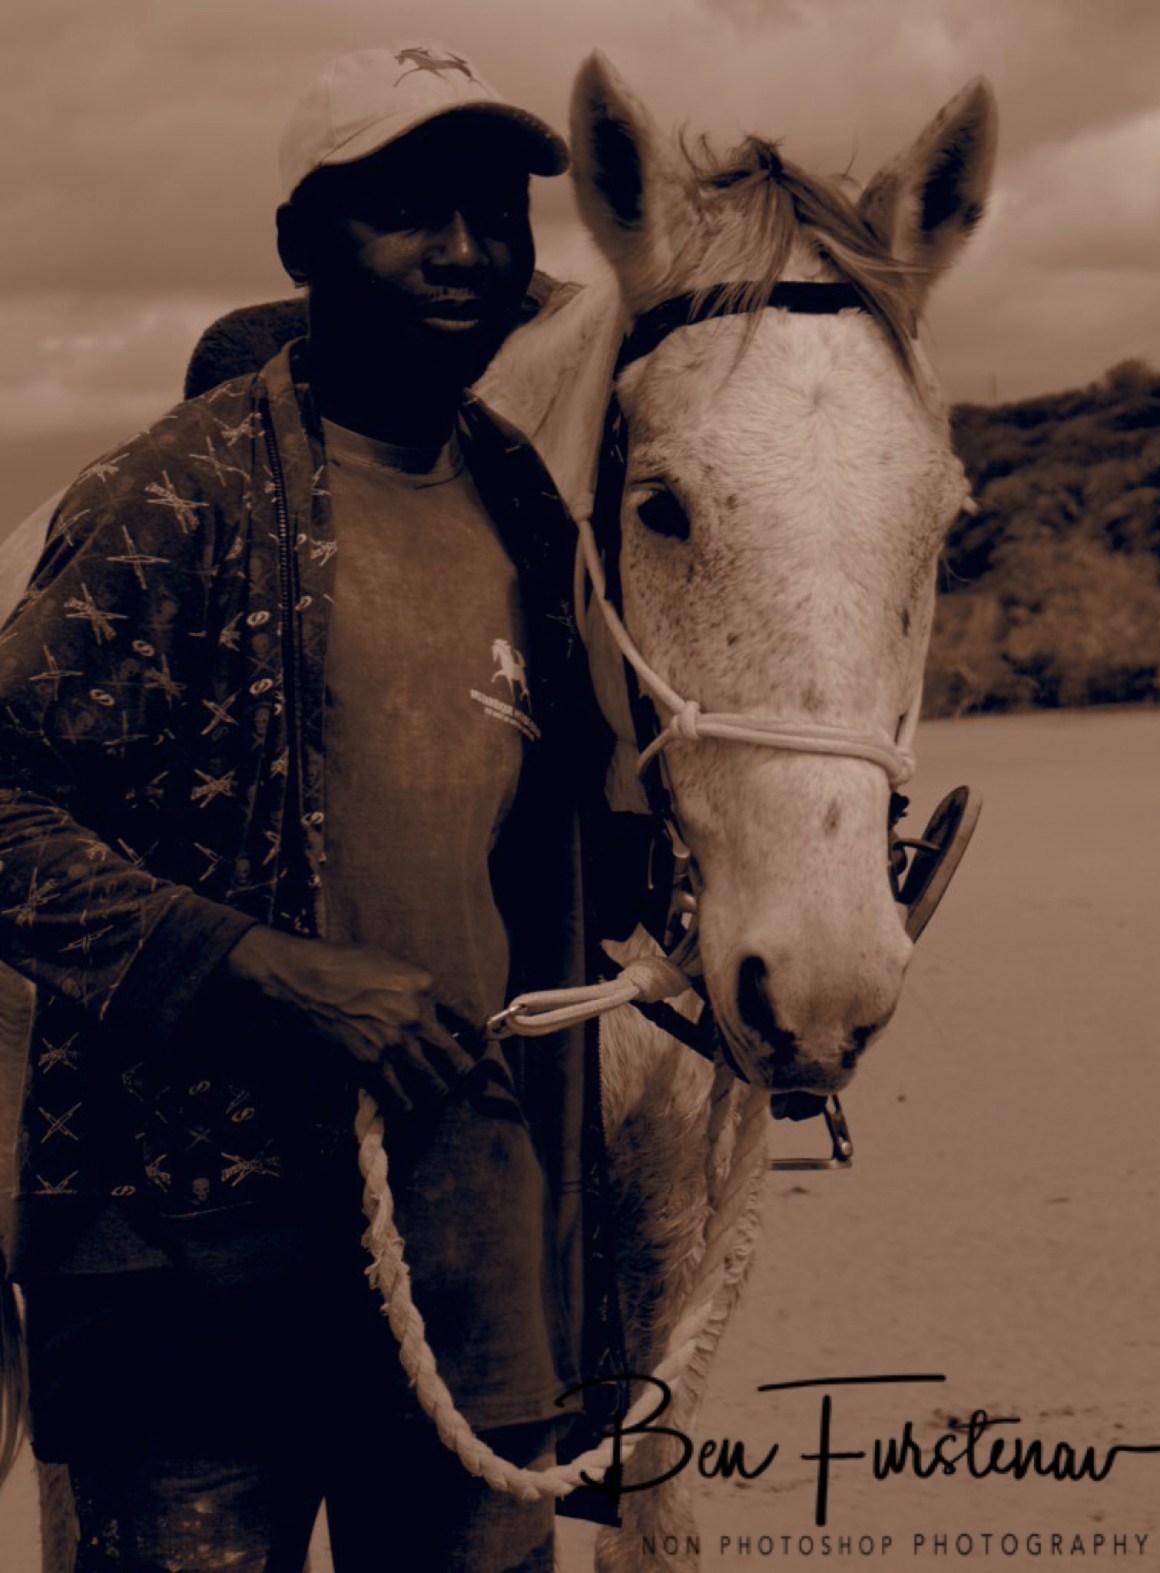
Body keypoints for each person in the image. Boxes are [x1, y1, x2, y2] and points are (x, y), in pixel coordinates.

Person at [0, 42, 619, 1572]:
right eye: (410, 211)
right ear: (299, 242)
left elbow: (570, 834)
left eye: (495, 212)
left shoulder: (522, 500)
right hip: (190, 1262)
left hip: (472, 1247)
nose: (468, 252)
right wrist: (263, 965)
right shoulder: (177, 494)